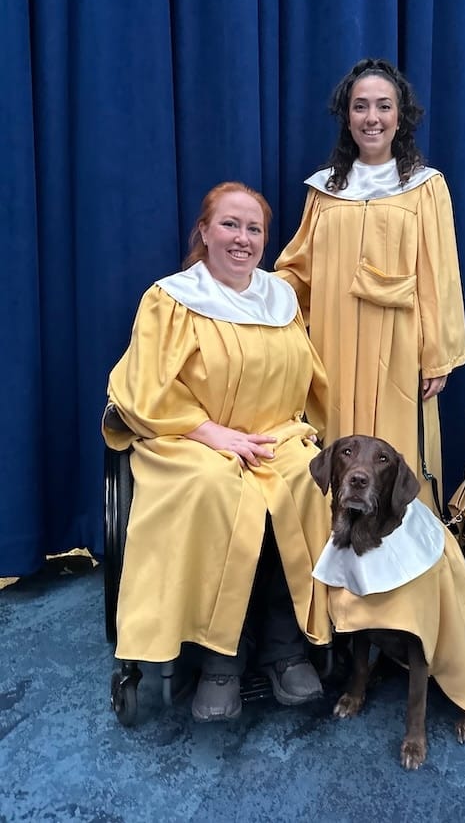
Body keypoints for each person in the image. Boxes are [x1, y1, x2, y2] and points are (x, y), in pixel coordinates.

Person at [103, 181, 332, 723]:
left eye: (254, 229)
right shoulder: (171, 298)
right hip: (188, 440)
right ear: (203, 231)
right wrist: (208, 431)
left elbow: (308, 382)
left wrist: (289, 432)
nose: (242, 239)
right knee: (215, 486)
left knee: (307, 480)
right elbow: (144, 387)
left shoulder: (281, 299)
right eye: (230, 224)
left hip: (274, 436)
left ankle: (284, 645)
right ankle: (219, 659)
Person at [275, 58, 465, 511]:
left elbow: (441, 274)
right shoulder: (324, 189)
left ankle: (402, 556)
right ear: (347, 116)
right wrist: (246, 294)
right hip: (333, 340)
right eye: (360, 106)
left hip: (399, 343)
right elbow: (299, 267)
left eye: (384, 106)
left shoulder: (424, 186)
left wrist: (437, 354)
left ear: (401, 115)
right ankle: (334, 550)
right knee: (338, 440)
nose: (372, 117)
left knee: (395, 448)